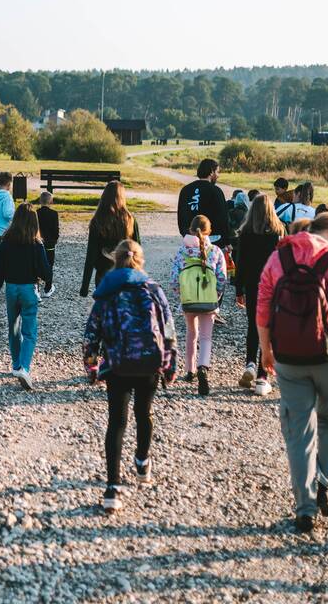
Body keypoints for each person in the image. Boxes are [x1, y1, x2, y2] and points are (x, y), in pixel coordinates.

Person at [257, 211, 328, 533]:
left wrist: (267, 349)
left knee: (299, 432)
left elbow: (263, 305)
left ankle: (304, 508)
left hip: (290, 358)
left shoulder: (278, 257)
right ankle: (326, 486)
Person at [83, 240, 177, 512]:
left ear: (116, 259)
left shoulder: (107, 290)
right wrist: (169, 365)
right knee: (144, 413)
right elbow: (167, 328)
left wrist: (91, 365)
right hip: (149, 362)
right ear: (140, 260)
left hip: (118, 362)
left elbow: (93, 331)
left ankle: (112, 487)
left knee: (117, 421)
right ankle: (142, 463)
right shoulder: (153, 288)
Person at [0, 203, 52, 391]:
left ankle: (16, 365)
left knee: (13, 327)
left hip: (11, 289)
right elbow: (45, 269)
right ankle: (24, 367)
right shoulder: (36, 244)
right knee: (29, 331)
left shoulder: (5, 243)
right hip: (29, 289)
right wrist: (48, 282)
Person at [233, 194, 285, 396]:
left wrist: (239, 290)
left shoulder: (245, 234)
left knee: (253, 326)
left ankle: (250, 364)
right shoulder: (278, 233)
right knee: (268, 330)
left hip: (253, 287)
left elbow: (241, 264)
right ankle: (263, 378)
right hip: (273, 288)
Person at [170, 215, 228, 396]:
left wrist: (183, 294)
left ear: (189, 230)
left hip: (188, 301)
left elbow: (174, 280)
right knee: (206, 336)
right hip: (209, 300)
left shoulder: (181, 252)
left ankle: (190, 369)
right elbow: (222, 278)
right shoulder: (216, 251)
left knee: (191, 334)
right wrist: (215, 295)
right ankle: (203, 366)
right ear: (209, 231)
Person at [80, 181, 140, 297]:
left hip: (103, 274)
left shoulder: (97, 221)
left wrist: (85, 286)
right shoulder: (130, 220)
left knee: (105, 311)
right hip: (124, 273)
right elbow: (137, 251)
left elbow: (91, 254)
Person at [176, 159, 233, 247]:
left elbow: (181, 215)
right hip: (212, 240)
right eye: (217, 172)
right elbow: (223, 219)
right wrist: (227, 241)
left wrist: (185, 233)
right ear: (211, 172)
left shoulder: (186, 190)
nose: (218, 176)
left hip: (190, 239)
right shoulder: (216, 191)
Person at [36, 191, 60, 278]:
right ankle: (48, 282)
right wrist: (55, 238)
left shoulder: (36, 212)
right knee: (50, 262)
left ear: (40, 201)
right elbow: (56, 228)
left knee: (38, 261)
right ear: (51, 202)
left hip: (38, 241)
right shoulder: (54, 213)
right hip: (50, 242)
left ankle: (38, 278)